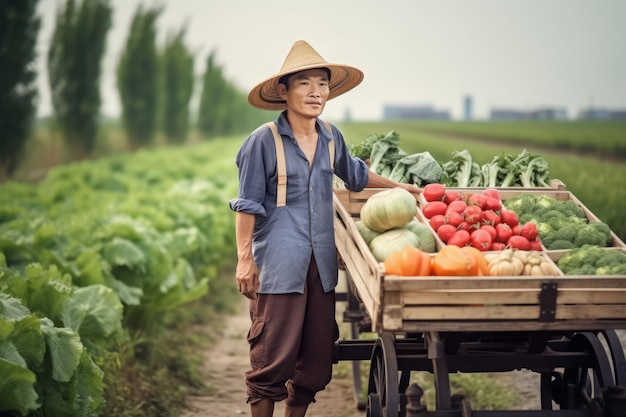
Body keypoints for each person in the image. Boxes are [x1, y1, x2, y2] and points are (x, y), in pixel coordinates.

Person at [229, 40, 421, 417]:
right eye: (304, 83)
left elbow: (356, 176)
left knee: (316, 362)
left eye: (322, 83)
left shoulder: (331, 136)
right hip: (280, 267)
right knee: (272, 358)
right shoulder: (263, 141)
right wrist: (244, 260)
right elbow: (246, 206)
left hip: (322, 265)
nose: (316, 92)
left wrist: (404, 189)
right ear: (283, 91)